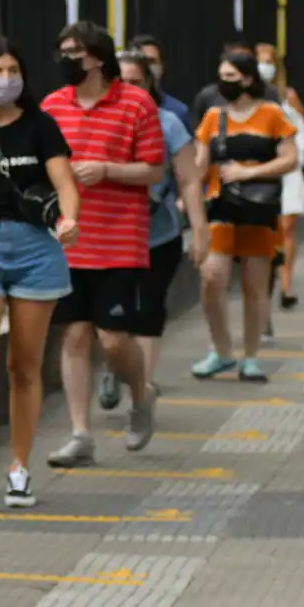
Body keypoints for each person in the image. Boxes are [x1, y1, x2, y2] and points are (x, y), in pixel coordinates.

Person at [0, 35, 79, 514]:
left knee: (24, 365)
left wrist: (68, 220)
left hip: (36, 248)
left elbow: (65, 183)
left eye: (12, 69)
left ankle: (19, 468)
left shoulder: (42, 126)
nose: (6, 79)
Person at [42, 20, 165, 467]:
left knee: (113, 339)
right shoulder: (52, 106)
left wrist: (107, 169)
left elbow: (154, 170)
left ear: (97, 56)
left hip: (119, 240)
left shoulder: (137, 103)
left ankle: (141, 393)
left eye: (74, 52)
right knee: (73, 334)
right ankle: (80, 433)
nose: (66, 60)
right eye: (62, 52)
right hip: (69, 238)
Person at [99, 50, 207, 401]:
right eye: (121, 82)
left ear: (150, 84)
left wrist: (200, 230)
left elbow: (189, 179)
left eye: (137, 82)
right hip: (107, 238)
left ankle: (140, 388)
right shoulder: (94, 121)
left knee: (148, 309)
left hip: (157, 236)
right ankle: (116, 367)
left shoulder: (167, 123)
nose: (129, 89)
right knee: (113, 316)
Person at [192, 51, 298, 382]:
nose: (224, 82)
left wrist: (247, 173)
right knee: (211, 277)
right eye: (221, 75)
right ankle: (221, 349)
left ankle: (250, 356)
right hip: (220, 207)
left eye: (231, 76)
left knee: (255, 285)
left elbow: (290, 160)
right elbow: (199, 164)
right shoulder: (213, 117)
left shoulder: (272, 115)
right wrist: (188, 191)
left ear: (249, 79)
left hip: (258, 207)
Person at [257, 48, 304, 310]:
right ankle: (265, 290)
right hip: (261, 172)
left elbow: (301, 128)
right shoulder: (247, 99)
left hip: (288, 170)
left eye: (268, 62)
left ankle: (286, 285)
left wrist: (302, 158)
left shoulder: (288, 97)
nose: (262, 67)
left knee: (287, 228)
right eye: (259, 62)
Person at [192, 41, 282, 125]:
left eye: (230, 75)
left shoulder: (270, 95)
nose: (225, 80)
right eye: (222, 75)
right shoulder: (208, 98)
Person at [130, 33, 191, 133]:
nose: (147, 67)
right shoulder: (113, 109)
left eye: (151, 62)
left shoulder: (178, 112)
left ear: (162, 66)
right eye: (141, 62)